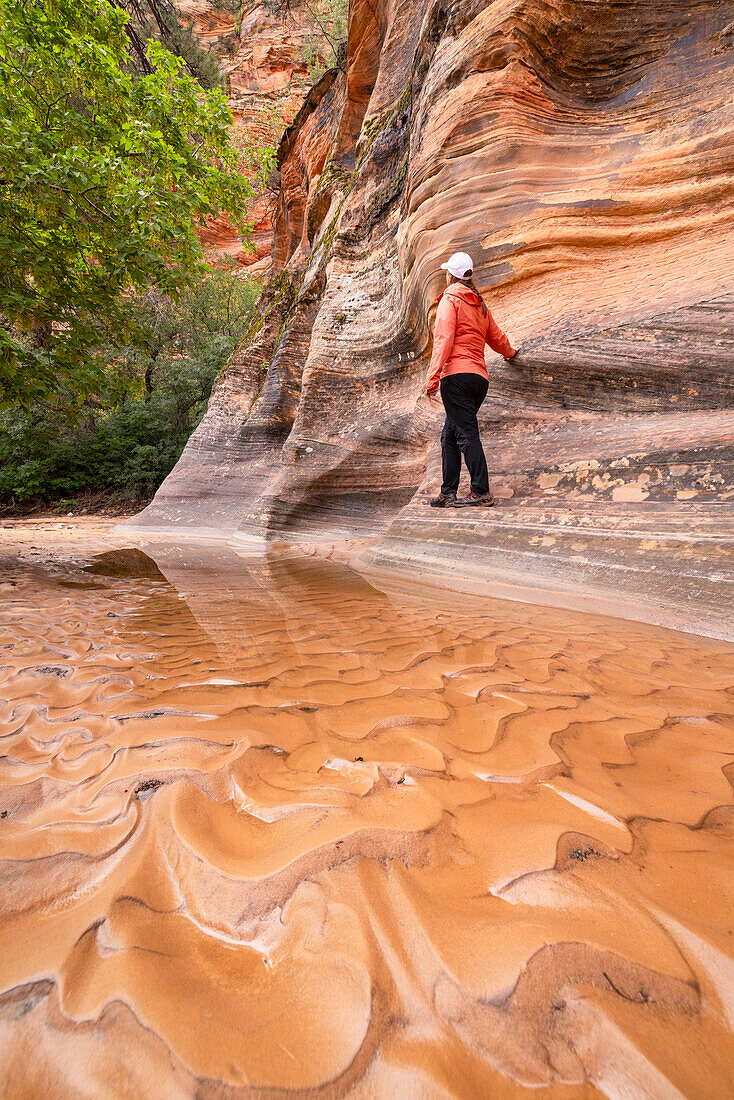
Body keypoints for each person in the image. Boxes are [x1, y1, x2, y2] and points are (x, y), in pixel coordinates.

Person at [426, 251, 518, 507]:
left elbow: (443, 340)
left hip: (456, 378)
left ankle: (481, 491)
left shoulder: (450, 300)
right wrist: (510, 353)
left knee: (466, 434)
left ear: (450, 275)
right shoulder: (479, 304)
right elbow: (497, 337)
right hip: (479, 381)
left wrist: (433, 377)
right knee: (450, 435)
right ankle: (448, 491)